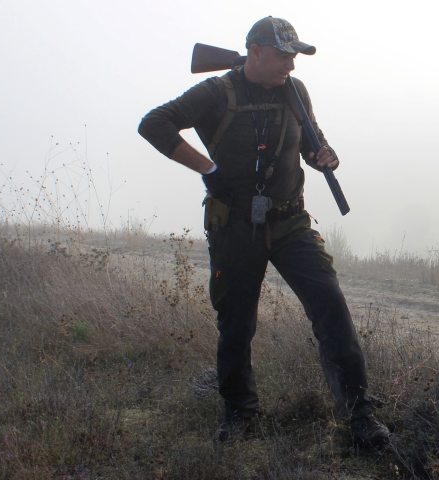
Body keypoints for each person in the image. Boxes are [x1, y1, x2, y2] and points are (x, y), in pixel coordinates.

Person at [138, 16, 389, 447]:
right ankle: (239, 412)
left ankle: (359, 412)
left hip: (291, 221)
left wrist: (322, 154)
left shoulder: (295, 91)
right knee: (236, 323)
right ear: (254, 51)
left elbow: (310, 142)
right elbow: (154, 124)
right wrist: (207, 167)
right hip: (234, 226)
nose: (291, 65)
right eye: (283, 55)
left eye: (294, 56)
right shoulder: (216, 92)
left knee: (331, 307)